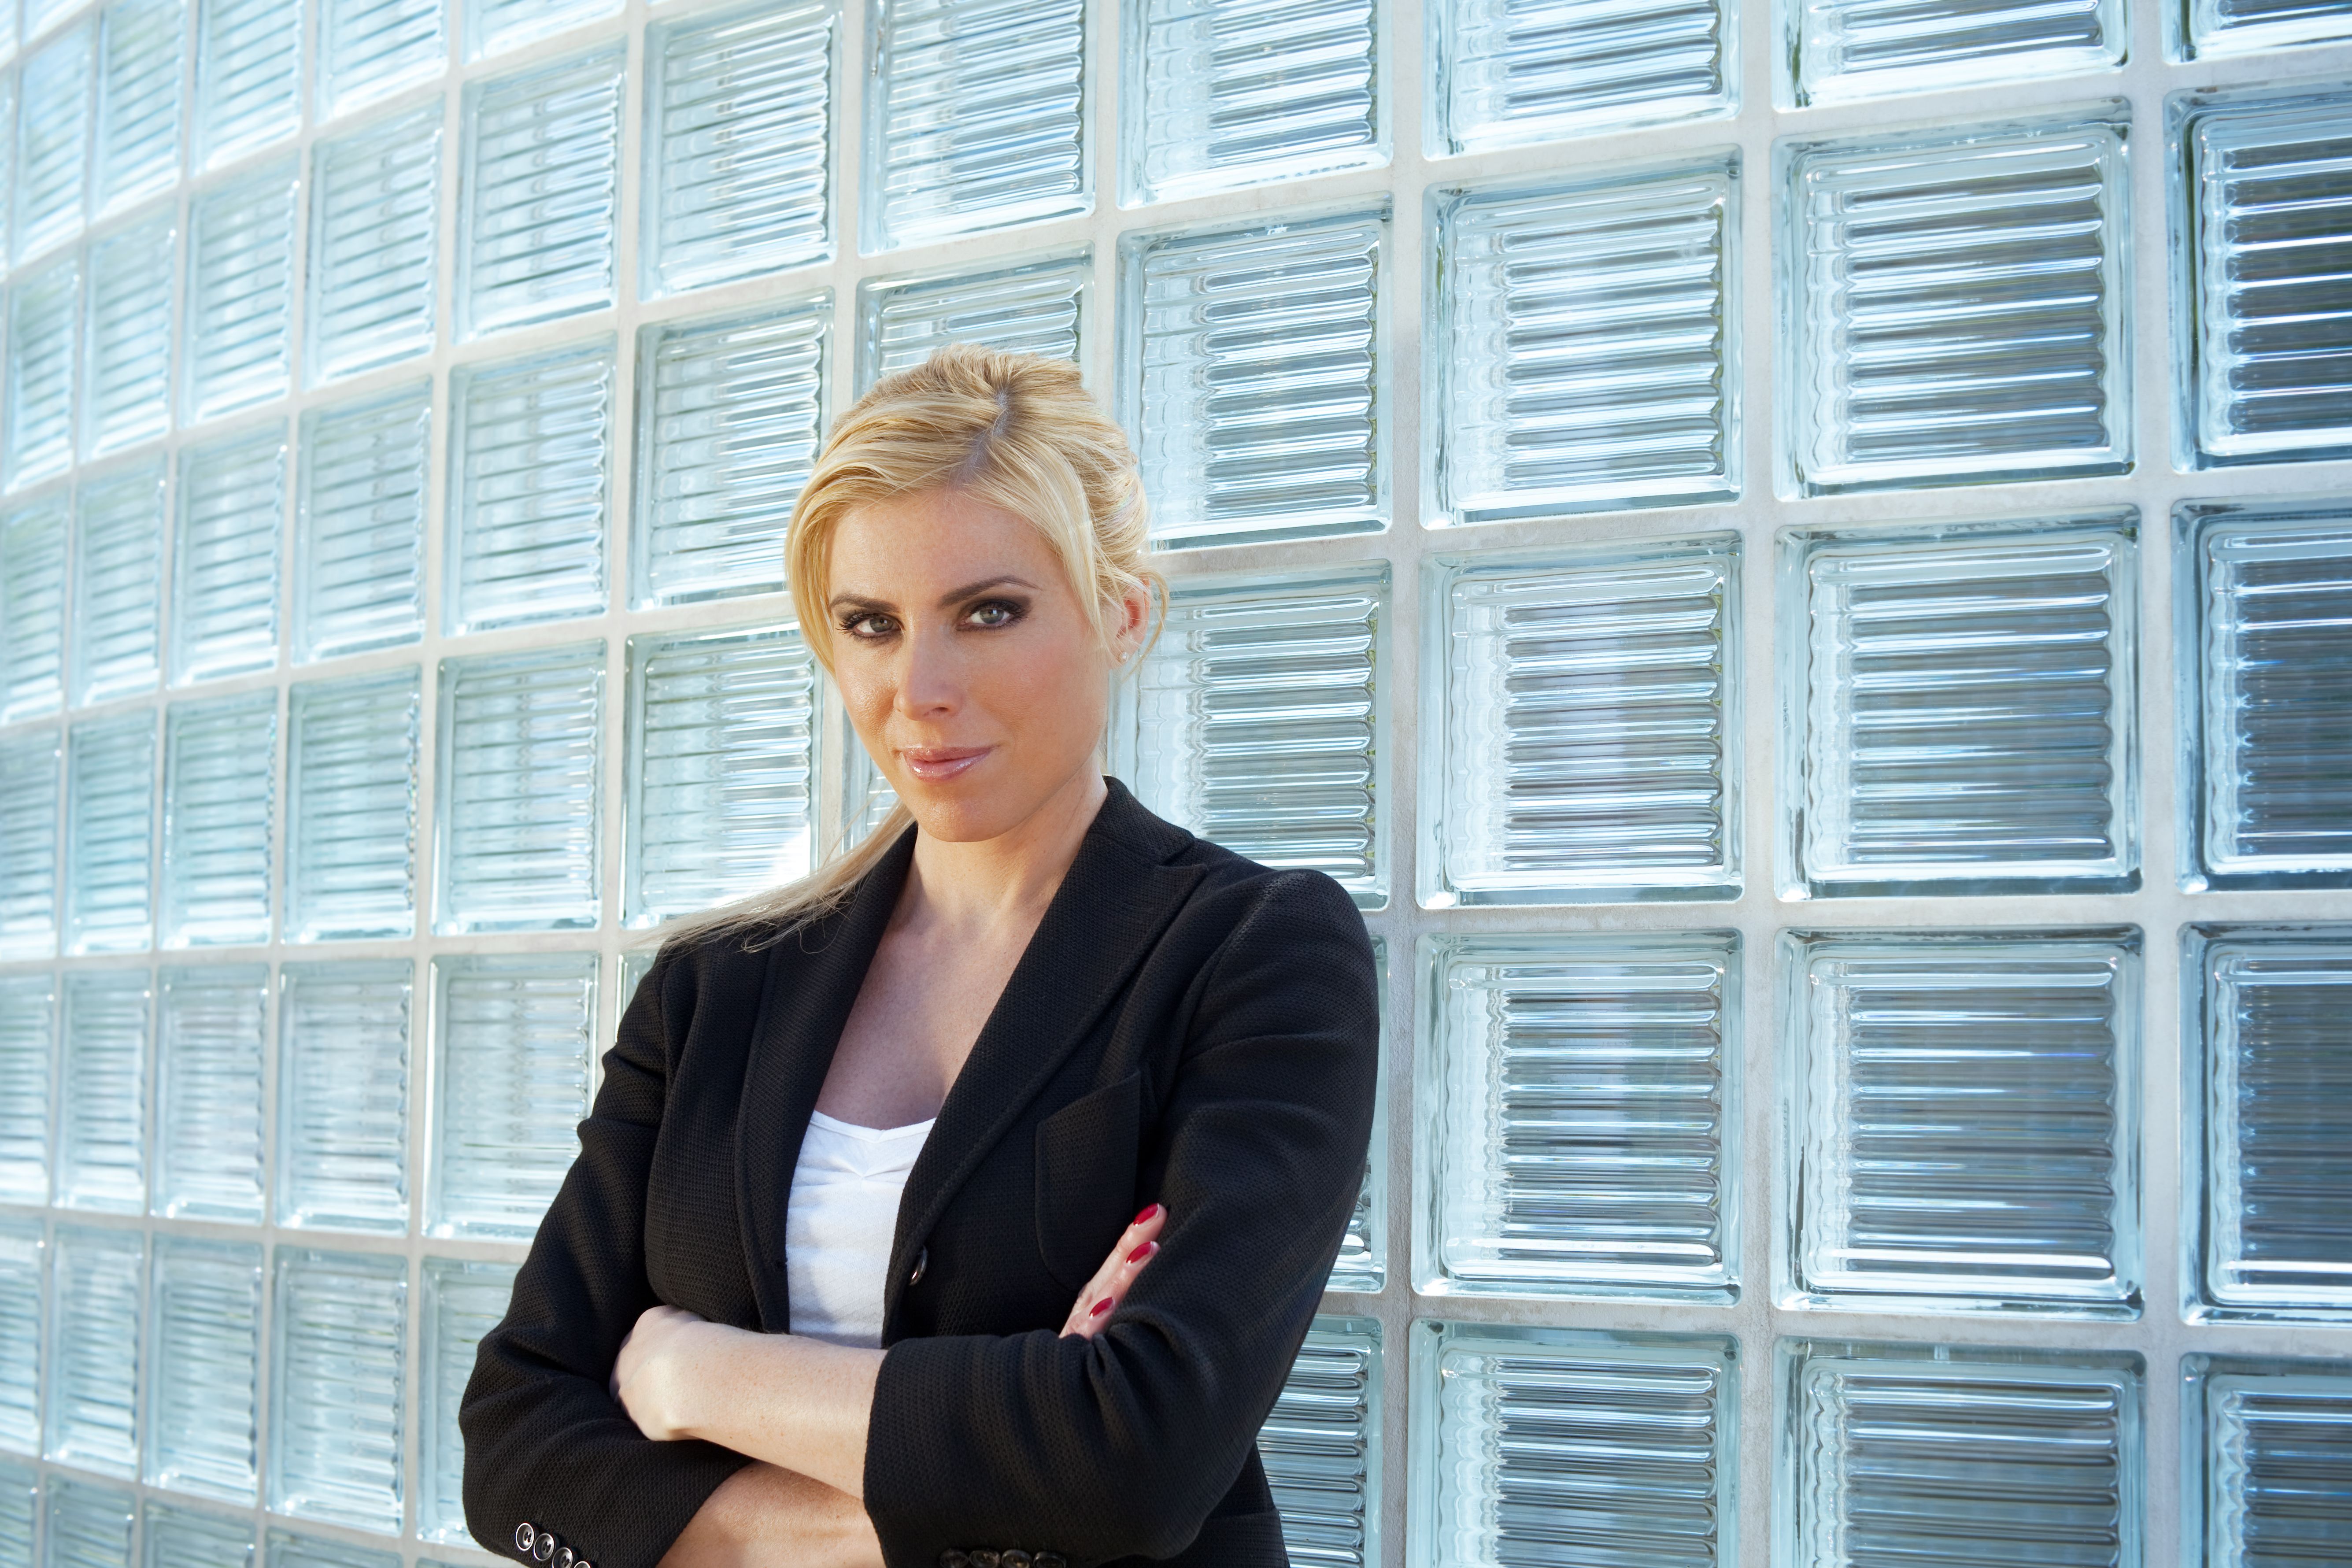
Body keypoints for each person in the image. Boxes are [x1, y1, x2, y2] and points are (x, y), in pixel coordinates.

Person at [458, 345, 1382, 1568]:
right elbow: (517, 1440)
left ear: (1122, 611)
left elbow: (1136, 1458)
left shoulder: (1254, 954)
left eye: (987, 613)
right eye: (870, 625)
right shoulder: (714, 987)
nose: (918, 689)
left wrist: (690, 1369)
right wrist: (898, 1527)